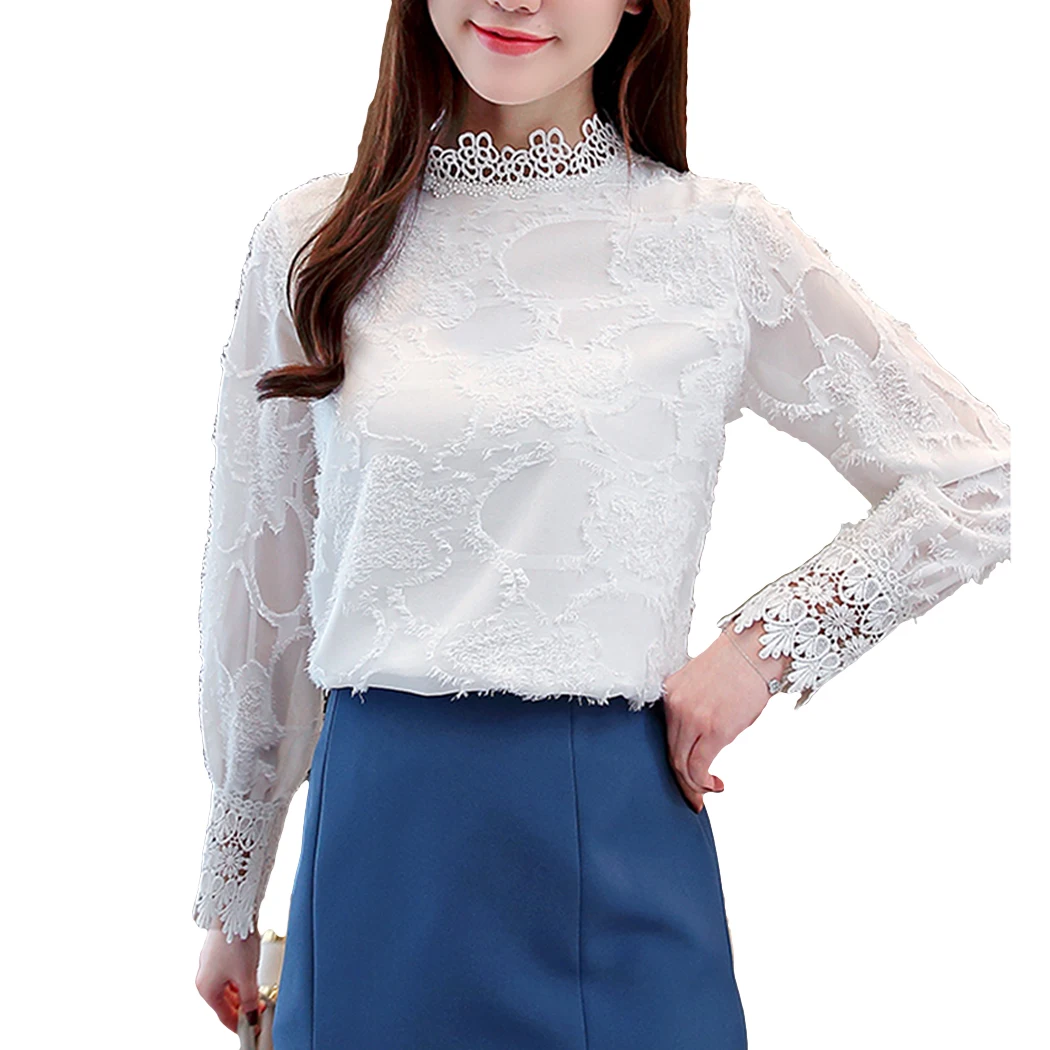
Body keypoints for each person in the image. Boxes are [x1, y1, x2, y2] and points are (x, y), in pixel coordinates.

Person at [191, 1, 1012, 1047]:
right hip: (378, 854)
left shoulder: (716, 241)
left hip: (613, 840)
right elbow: (263, 587)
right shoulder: (311, 239)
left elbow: (980, 481)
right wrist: (234, 893)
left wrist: (757, 653)